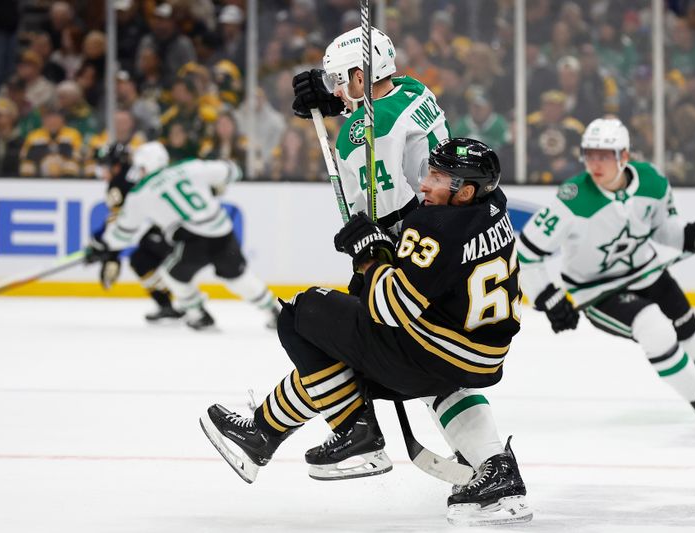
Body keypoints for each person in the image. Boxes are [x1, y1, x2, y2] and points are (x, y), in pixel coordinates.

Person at [201, 139, 532, 525]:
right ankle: (499, 471)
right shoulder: (494, 206)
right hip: (480, 355)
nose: (424, 184)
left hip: (432, 351)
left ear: (466, 191)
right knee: (341, 364)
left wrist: (369, 259)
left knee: (303, 314)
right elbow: (440, 268)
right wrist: (389, 252)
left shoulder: (435, 226)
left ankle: (356, 434)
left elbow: (391, 308)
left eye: (438, 177)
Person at [290, 27, 526, 519]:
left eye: (342, 80)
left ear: (360, 74)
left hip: (420, 251)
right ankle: (496, 468)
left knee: (316, 319)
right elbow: (385, 116)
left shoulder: (363, 138)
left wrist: (369, 247)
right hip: (467, 279)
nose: (335, 90)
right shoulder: (417, 90)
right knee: (441, 377)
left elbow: (378, 197)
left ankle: (356, 433)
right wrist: (340, 101)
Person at [516, 117, 695, 425]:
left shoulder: (653, 182)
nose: (595, 163)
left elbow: (663, 229)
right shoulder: (573, 198)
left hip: (648, 272)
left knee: (689, 328)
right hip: (598, 291)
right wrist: (548, 298)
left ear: (624, 156)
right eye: (590, 154)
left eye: (604, 155)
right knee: (654, 327)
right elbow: (527, 252)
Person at [85, 141, 280, 330]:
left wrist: (102, 246)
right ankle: (274, 311)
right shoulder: (190, 167)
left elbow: (122, 233)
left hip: (194, 239)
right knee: (238, 276)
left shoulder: (140, 193)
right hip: (222, 231)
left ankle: (198, 314)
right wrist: (218, 183)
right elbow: (232, 170)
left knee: (172, 275)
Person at [87, 142, 182, 322]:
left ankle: (189, 302)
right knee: (141, 260)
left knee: (153, 249)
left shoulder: (119, 184)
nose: (101, 171)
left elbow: (120, 223)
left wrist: (109, 252)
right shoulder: (138, 172)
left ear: (115, 165)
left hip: (180, 228)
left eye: (104, 166)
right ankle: (167, 305)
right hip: (173, 225)